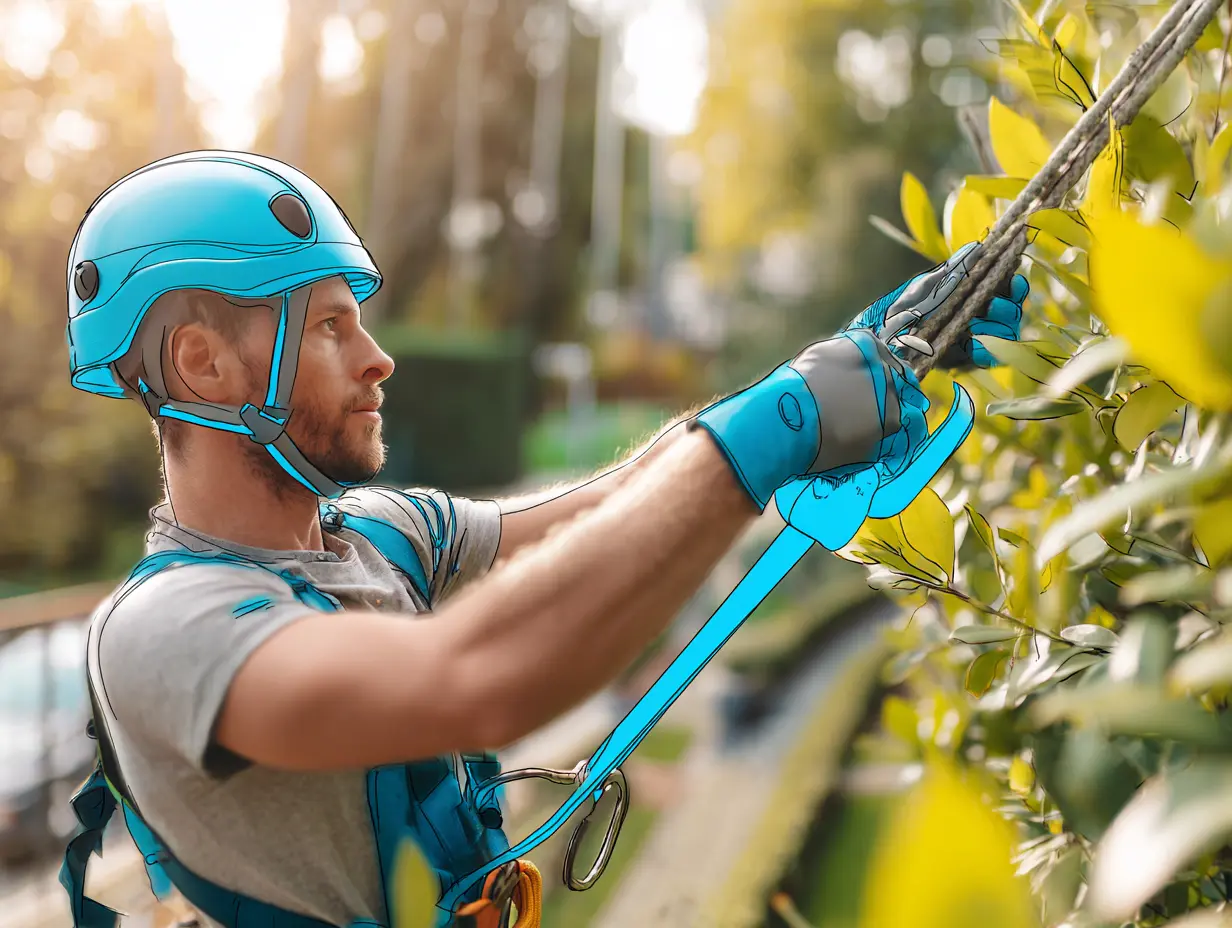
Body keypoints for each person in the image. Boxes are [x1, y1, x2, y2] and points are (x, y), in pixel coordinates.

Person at [60, 151, 1028, 928]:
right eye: (326, 327)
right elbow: (472, 680)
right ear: (204, 364)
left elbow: (615, 504)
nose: (376, 357)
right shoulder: (165, 630)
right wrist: (772, 428)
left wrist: (824, 375)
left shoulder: (383, 536)